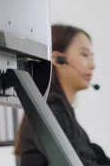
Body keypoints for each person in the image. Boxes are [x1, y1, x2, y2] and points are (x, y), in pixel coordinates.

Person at [15, 24, 110, 166]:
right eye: (84, 54)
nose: (92, 65)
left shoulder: (61, 109)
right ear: (57, 59)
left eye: (92, 56)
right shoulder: (50, 107)